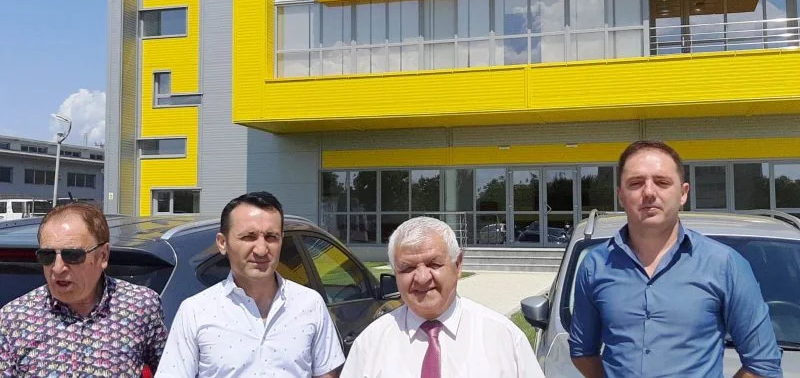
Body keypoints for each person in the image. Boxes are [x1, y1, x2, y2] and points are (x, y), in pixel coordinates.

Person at [569, 140, 782, 378]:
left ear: (683, 193)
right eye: (636, 183)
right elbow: (582, 352)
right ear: (620, 195)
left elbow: (763, 365)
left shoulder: (724, 264)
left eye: (662, 182)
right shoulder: (595, 265)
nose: (649, 192)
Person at [156, 191, 344, 378]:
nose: (261, 250)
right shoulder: (195, 312)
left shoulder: (310, 304)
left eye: (271, 237)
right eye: (248, 237)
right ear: (222, 243)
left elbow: (326, 374)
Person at [341, 216, 545, 378]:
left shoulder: (504, 339)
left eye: (434, 264)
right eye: (407, 268)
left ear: (458, 265)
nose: (422, 278)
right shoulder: (370, 344)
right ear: (395, 273)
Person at [0, 203, 167, 377]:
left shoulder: (140, 306)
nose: (57, 268)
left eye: (72, 255)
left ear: (103, 255)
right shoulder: (13, 319)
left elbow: (171, 370)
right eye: (47, 256)